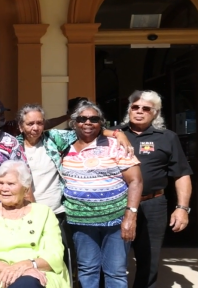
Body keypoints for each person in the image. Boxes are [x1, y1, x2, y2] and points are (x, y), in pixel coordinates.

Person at [60, 101, 142, 288]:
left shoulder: (115, 145)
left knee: (116, 271)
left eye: (94, 120)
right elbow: (33, 131)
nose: (88, 123)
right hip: (81, 222)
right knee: (87, 270)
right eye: (82, 119)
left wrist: (131, 215)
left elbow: (136, 181)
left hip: (116, 220)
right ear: (74, 122)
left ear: (101, 123)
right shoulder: (62, 145)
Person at [119, 90, 193, 288]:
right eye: (135, 107)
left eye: (146, 108)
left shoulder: (167, 137)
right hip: (118, 205)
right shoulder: (115, 136)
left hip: (153, 203)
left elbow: (181, 174)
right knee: (112, 259)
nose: (139, 111)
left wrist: (182, 207)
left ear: (155, 113)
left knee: (148, 258)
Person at [15, 104, 133, 244]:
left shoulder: (53, 139)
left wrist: (117, 134)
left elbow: (86, 131)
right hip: (25, 211)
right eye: (30, 124)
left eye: (39, 123)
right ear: (21, 126)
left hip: (55, 212)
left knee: (58, 258)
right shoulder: (14, 147)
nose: (35, 128)